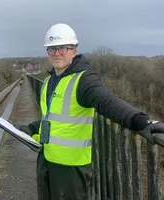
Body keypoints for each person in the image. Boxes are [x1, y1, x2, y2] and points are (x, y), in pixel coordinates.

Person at [14, 23, 164, 200]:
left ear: (73, 51)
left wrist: (139, 120)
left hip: (71, 170)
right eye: (52, 49)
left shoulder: (83, 79)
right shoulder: (48, 82)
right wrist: (32, 129)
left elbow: (106, 101)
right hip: (46, 161)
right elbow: (53, 118)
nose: (56, 54)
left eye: (63, 48)